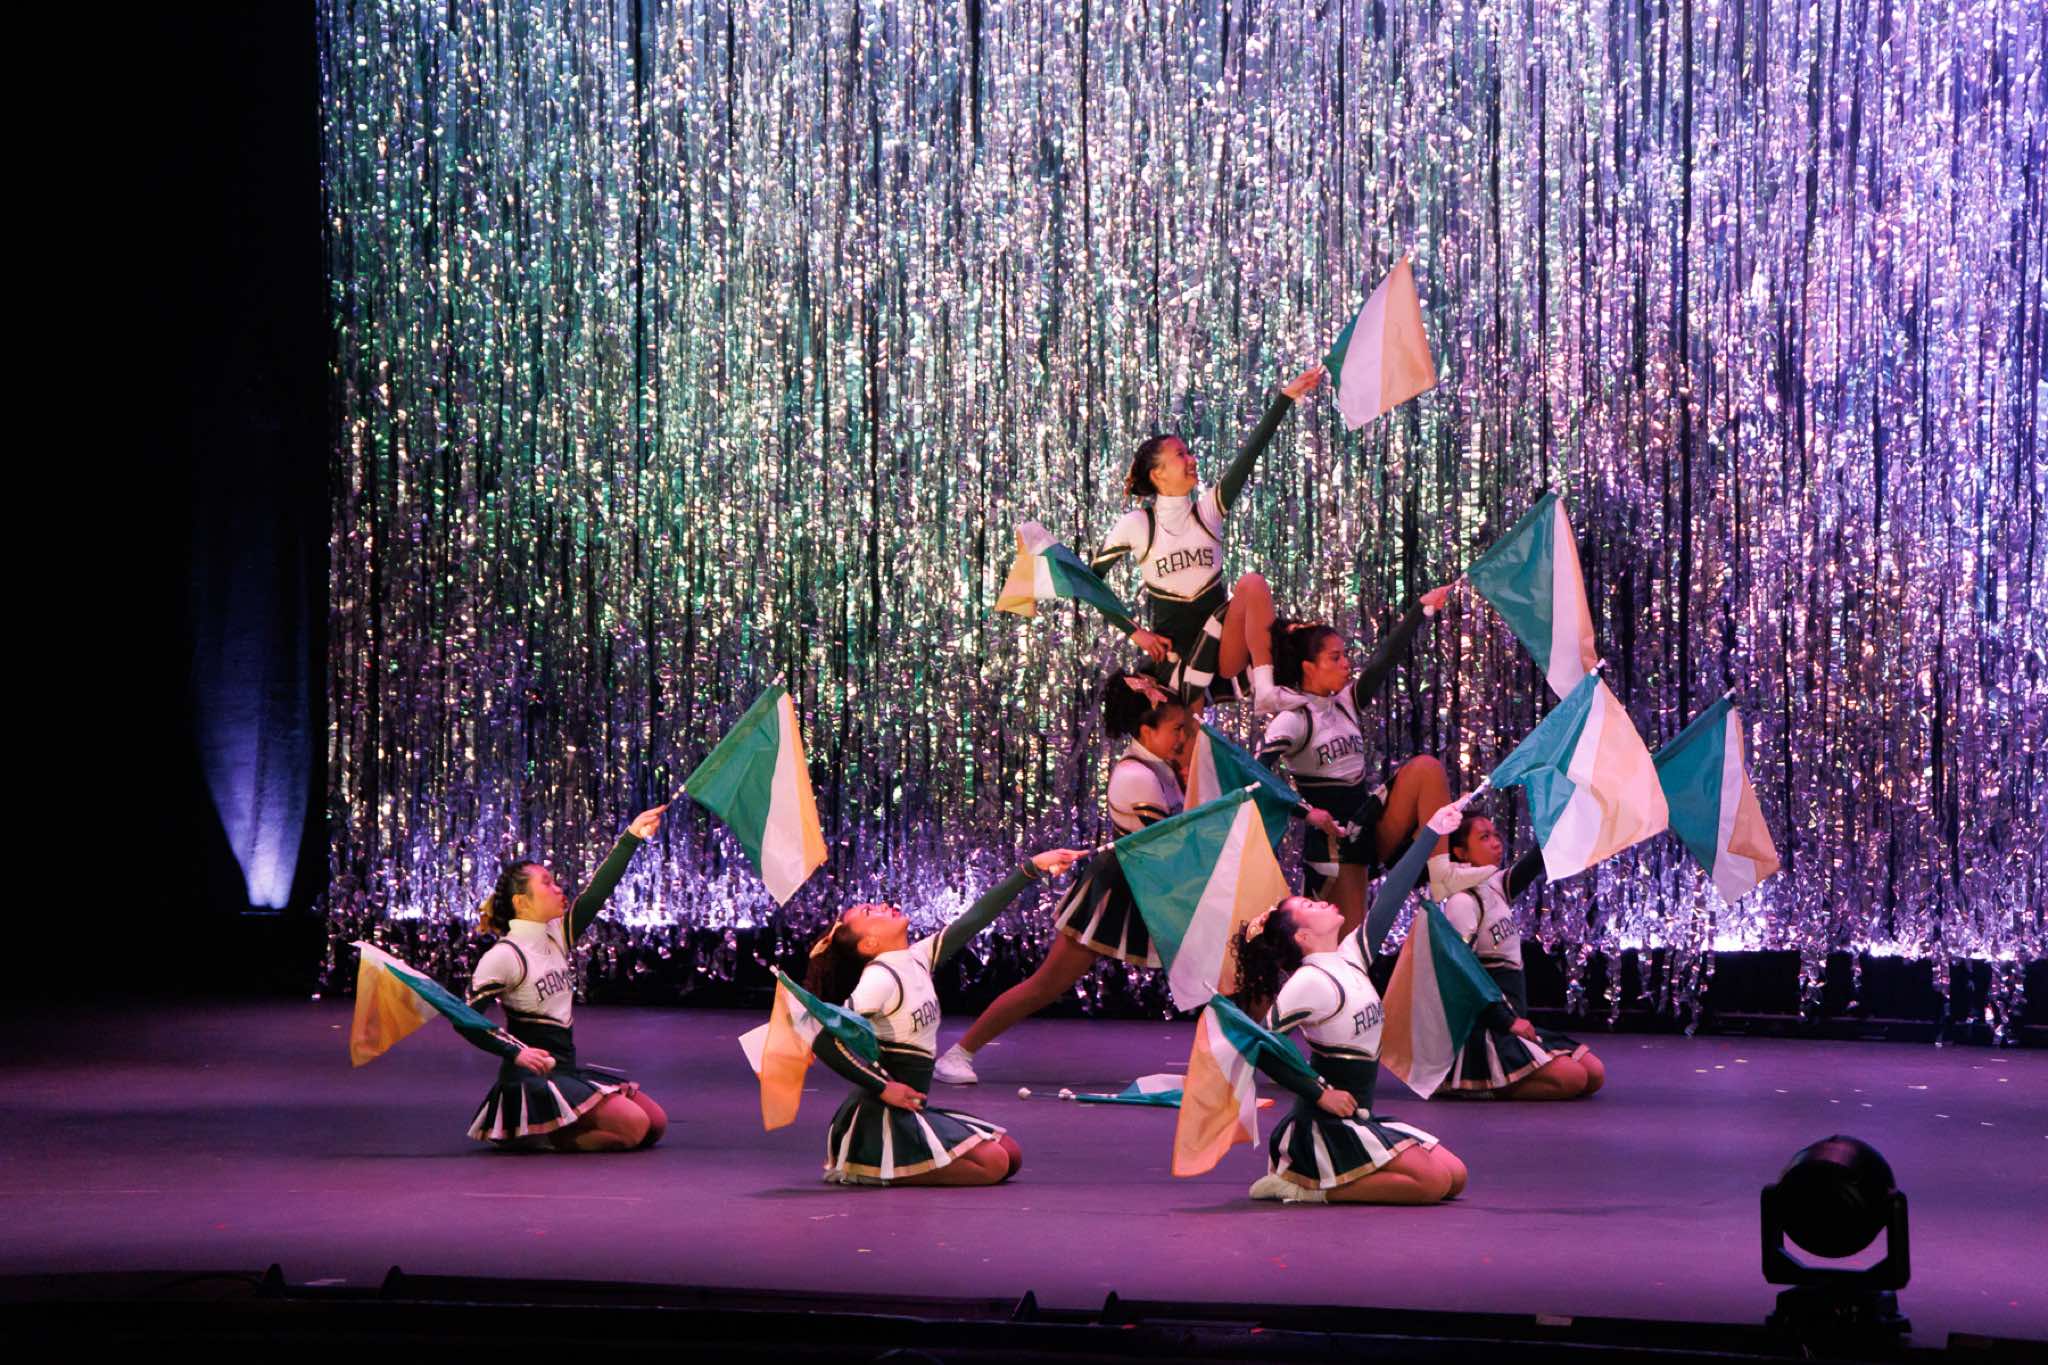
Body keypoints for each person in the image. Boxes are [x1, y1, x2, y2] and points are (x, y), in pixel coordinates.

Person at [933, 674, 1188, 1085]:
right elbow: (1167, 847)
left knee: (1217, 969)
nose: (1183, 737)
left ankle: (1248, 1054)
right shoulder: (1137, 775)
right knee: (1046, 986)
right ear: (1147, 731)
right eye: (1177, 729)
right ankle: (957, 1054)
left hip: (1151, 887)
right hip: (1117, 893)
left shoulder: (1162, 768)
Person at [1225, 803, 1472, 1203]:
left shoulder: (1350, 955)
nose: (1321, 902)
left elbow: (1390, 897)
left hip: (1359, 1119)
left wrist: (1431, 831)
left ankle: (1329, 1179)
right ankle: (1303, 1189)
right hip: (1323, 1127)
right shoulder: (1309, 981)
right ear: (1302, 938)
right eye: (1309, 906)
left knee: (1455, 1177)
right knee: (1432, 1184)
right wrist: (1320, 1092)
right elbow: (1259, 1043)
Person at [802, 846, 1087, 1183]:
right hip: (881, 1116)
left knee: (1011, 1154)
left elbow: (976, 918)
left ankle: (896, 1160)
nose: (882, 906)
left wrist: (1031, 868)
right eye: (869, 911)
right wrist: (883, 1087)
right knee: (994, 1164)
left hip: (911, 1108)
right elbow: (822, 1036)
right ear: (869, 944)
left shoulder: (916, 957)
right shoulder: (880, 978)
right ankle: (866, 1168)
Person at [1090, 365, 1326, 708]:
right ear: (1158, 473)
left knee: (1253, 583)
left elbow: (1248, 458)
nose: (1192, 459)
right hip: (1176, 661)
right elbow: (1088, 581)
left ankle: (1264, 690)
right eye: (1180, 455)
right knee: (1189, 736)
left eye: (1189, 452)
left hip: (1223, 654)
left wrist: (1285, 399)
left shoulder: (1207, 512)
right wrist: (1136, 632)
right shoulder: (1137, 525)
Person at [466, 805, 671, 1151]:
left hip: (564, 1072)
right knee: (634, 1127)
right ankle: (538, 1135)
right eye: (546, 883)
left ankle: (557, 1126)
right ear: (522, 902)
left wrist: (632, 836)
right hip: (529, 1081)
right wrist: (515, 1052)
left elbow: (596, 894)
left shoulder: (555, 936)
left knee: (656, 1123)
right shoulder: (505, 955)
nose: (559, 888)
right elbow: (466, 1018)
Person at [1254, 587, 1457, 933]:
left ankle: (1442, 875)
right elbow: (1256, 775)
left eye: (1345, 655)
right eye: (1335, 658)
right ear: (1308, 667)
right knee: (1346, 946)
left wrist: (1420, 609)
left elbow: (1384, 661)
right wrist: (1306, 812)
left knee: (1427, 769)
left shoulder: (1345, 702)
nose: (1346, 663)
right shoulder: (1293, 719)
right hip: (1336, 844)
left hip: (1367, 826)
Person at [1433, 812, 1606, 1099]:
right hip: (1484, 1030)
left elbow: (1537, 860)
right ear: (1461, 852)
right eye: (1484, 837)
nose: (1496, 842)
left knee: (1594, 1073)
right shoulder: (1462, 901)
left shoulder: (1494, 886)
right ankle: (1478, 1085)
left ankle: (1507, 1074)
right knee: (1573, 1078)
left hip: (1511, 1022)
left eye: (1495, 835)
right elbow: (1460, 976)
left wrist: (1569, 816)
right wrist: (1506, 1021)